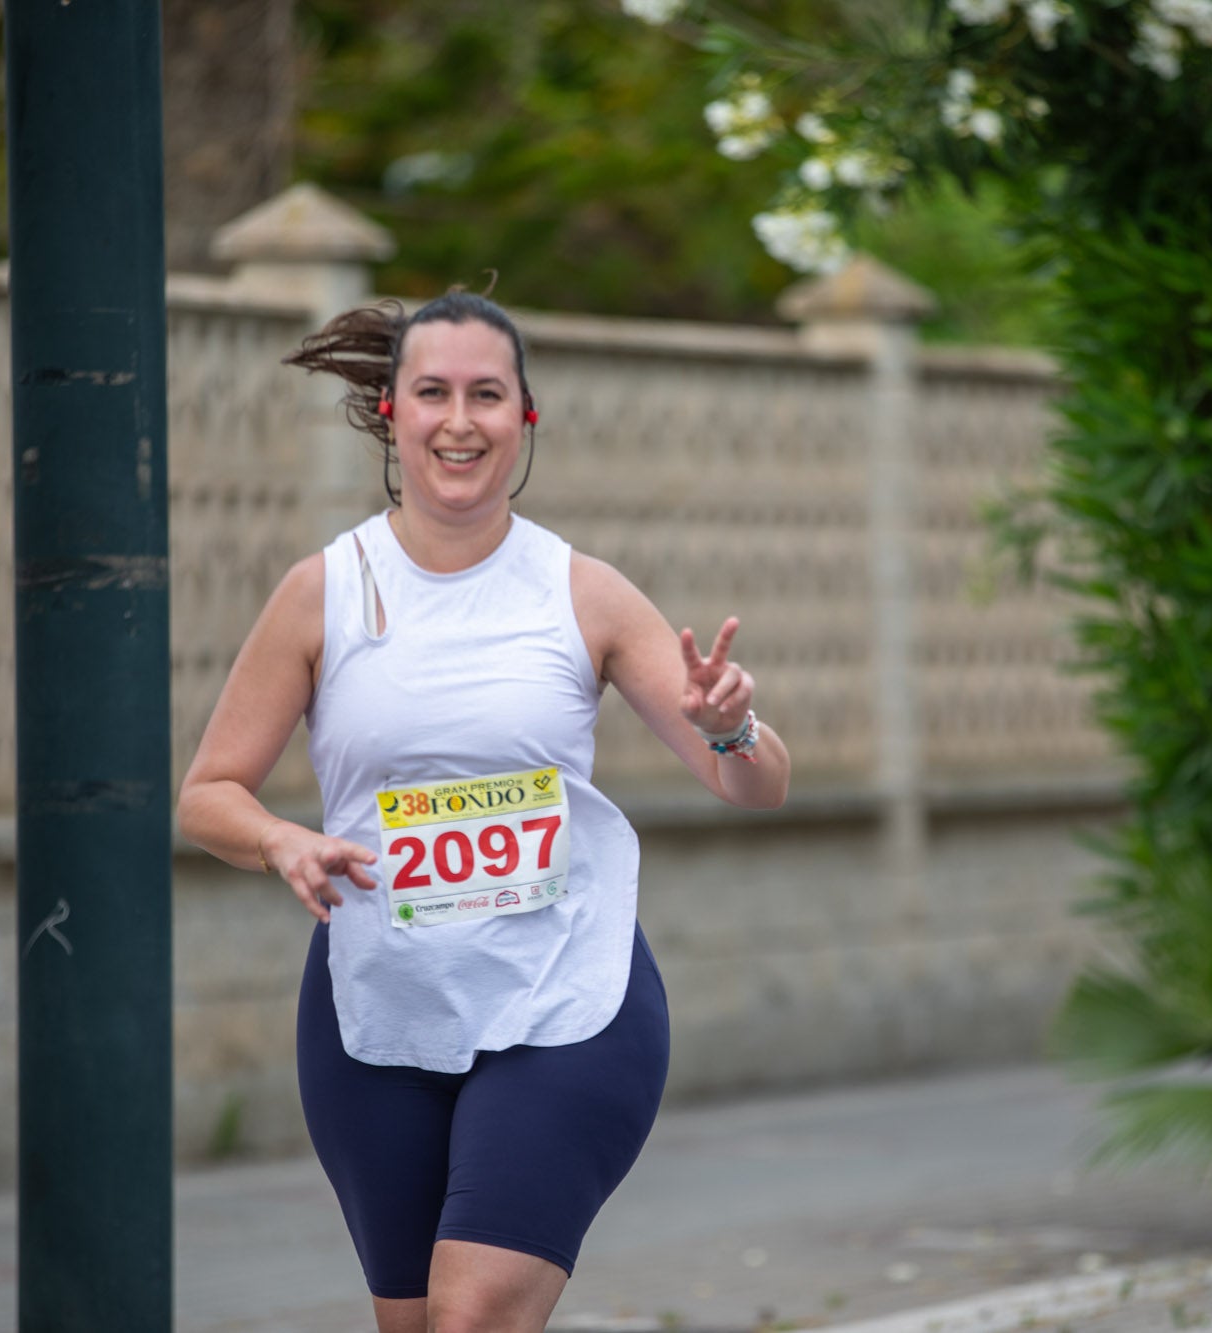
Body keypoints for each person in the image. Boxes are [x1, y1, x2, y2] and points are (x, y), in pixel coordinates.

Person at [176, 289, 790, 1333]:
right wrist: (281, 838)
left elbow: (756, 783)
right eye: (433, 392)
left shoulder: (581, 592)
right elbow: (207, 793)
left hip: (565, 1001)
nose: (459, 420)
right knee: (415, 1325)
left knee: (472, 1317)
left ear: (524, 417)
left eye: (487, 395)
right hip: (379, 1007)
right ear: (391, 413)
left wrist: (730, 727)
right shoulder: (323, 590)